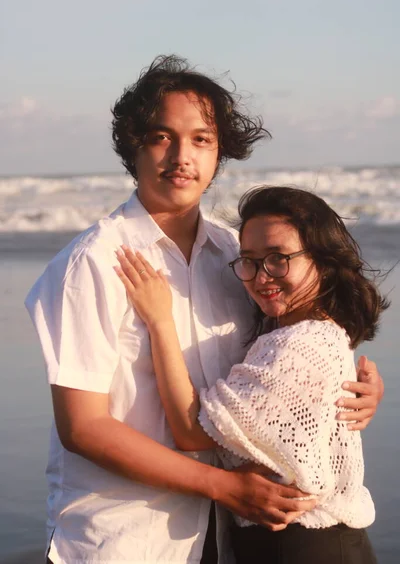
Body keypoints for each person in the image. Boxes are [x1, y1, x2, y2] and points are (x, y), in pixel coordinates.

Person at [25, 55, 383, 564]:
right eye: (161, 136)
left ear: (220, 153)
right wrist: (223, 485)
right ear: (134, 145)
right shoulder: (96, 261)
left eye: (201, 139)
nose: (181, 156)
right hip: (128, 539)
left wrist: (358, 387)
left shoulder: (237, 256)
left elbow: (290, 346)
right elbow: (84, 427)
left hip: (227, 538)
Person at [114, 185, 387, 564]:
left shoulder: (297, 343)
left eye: (279, 258)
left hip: (300, 546)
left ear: (322, 262)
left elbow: (192, 430)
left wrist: (160, 320)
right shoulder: (316, 332)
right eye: (250, 260)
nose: (261, 277)